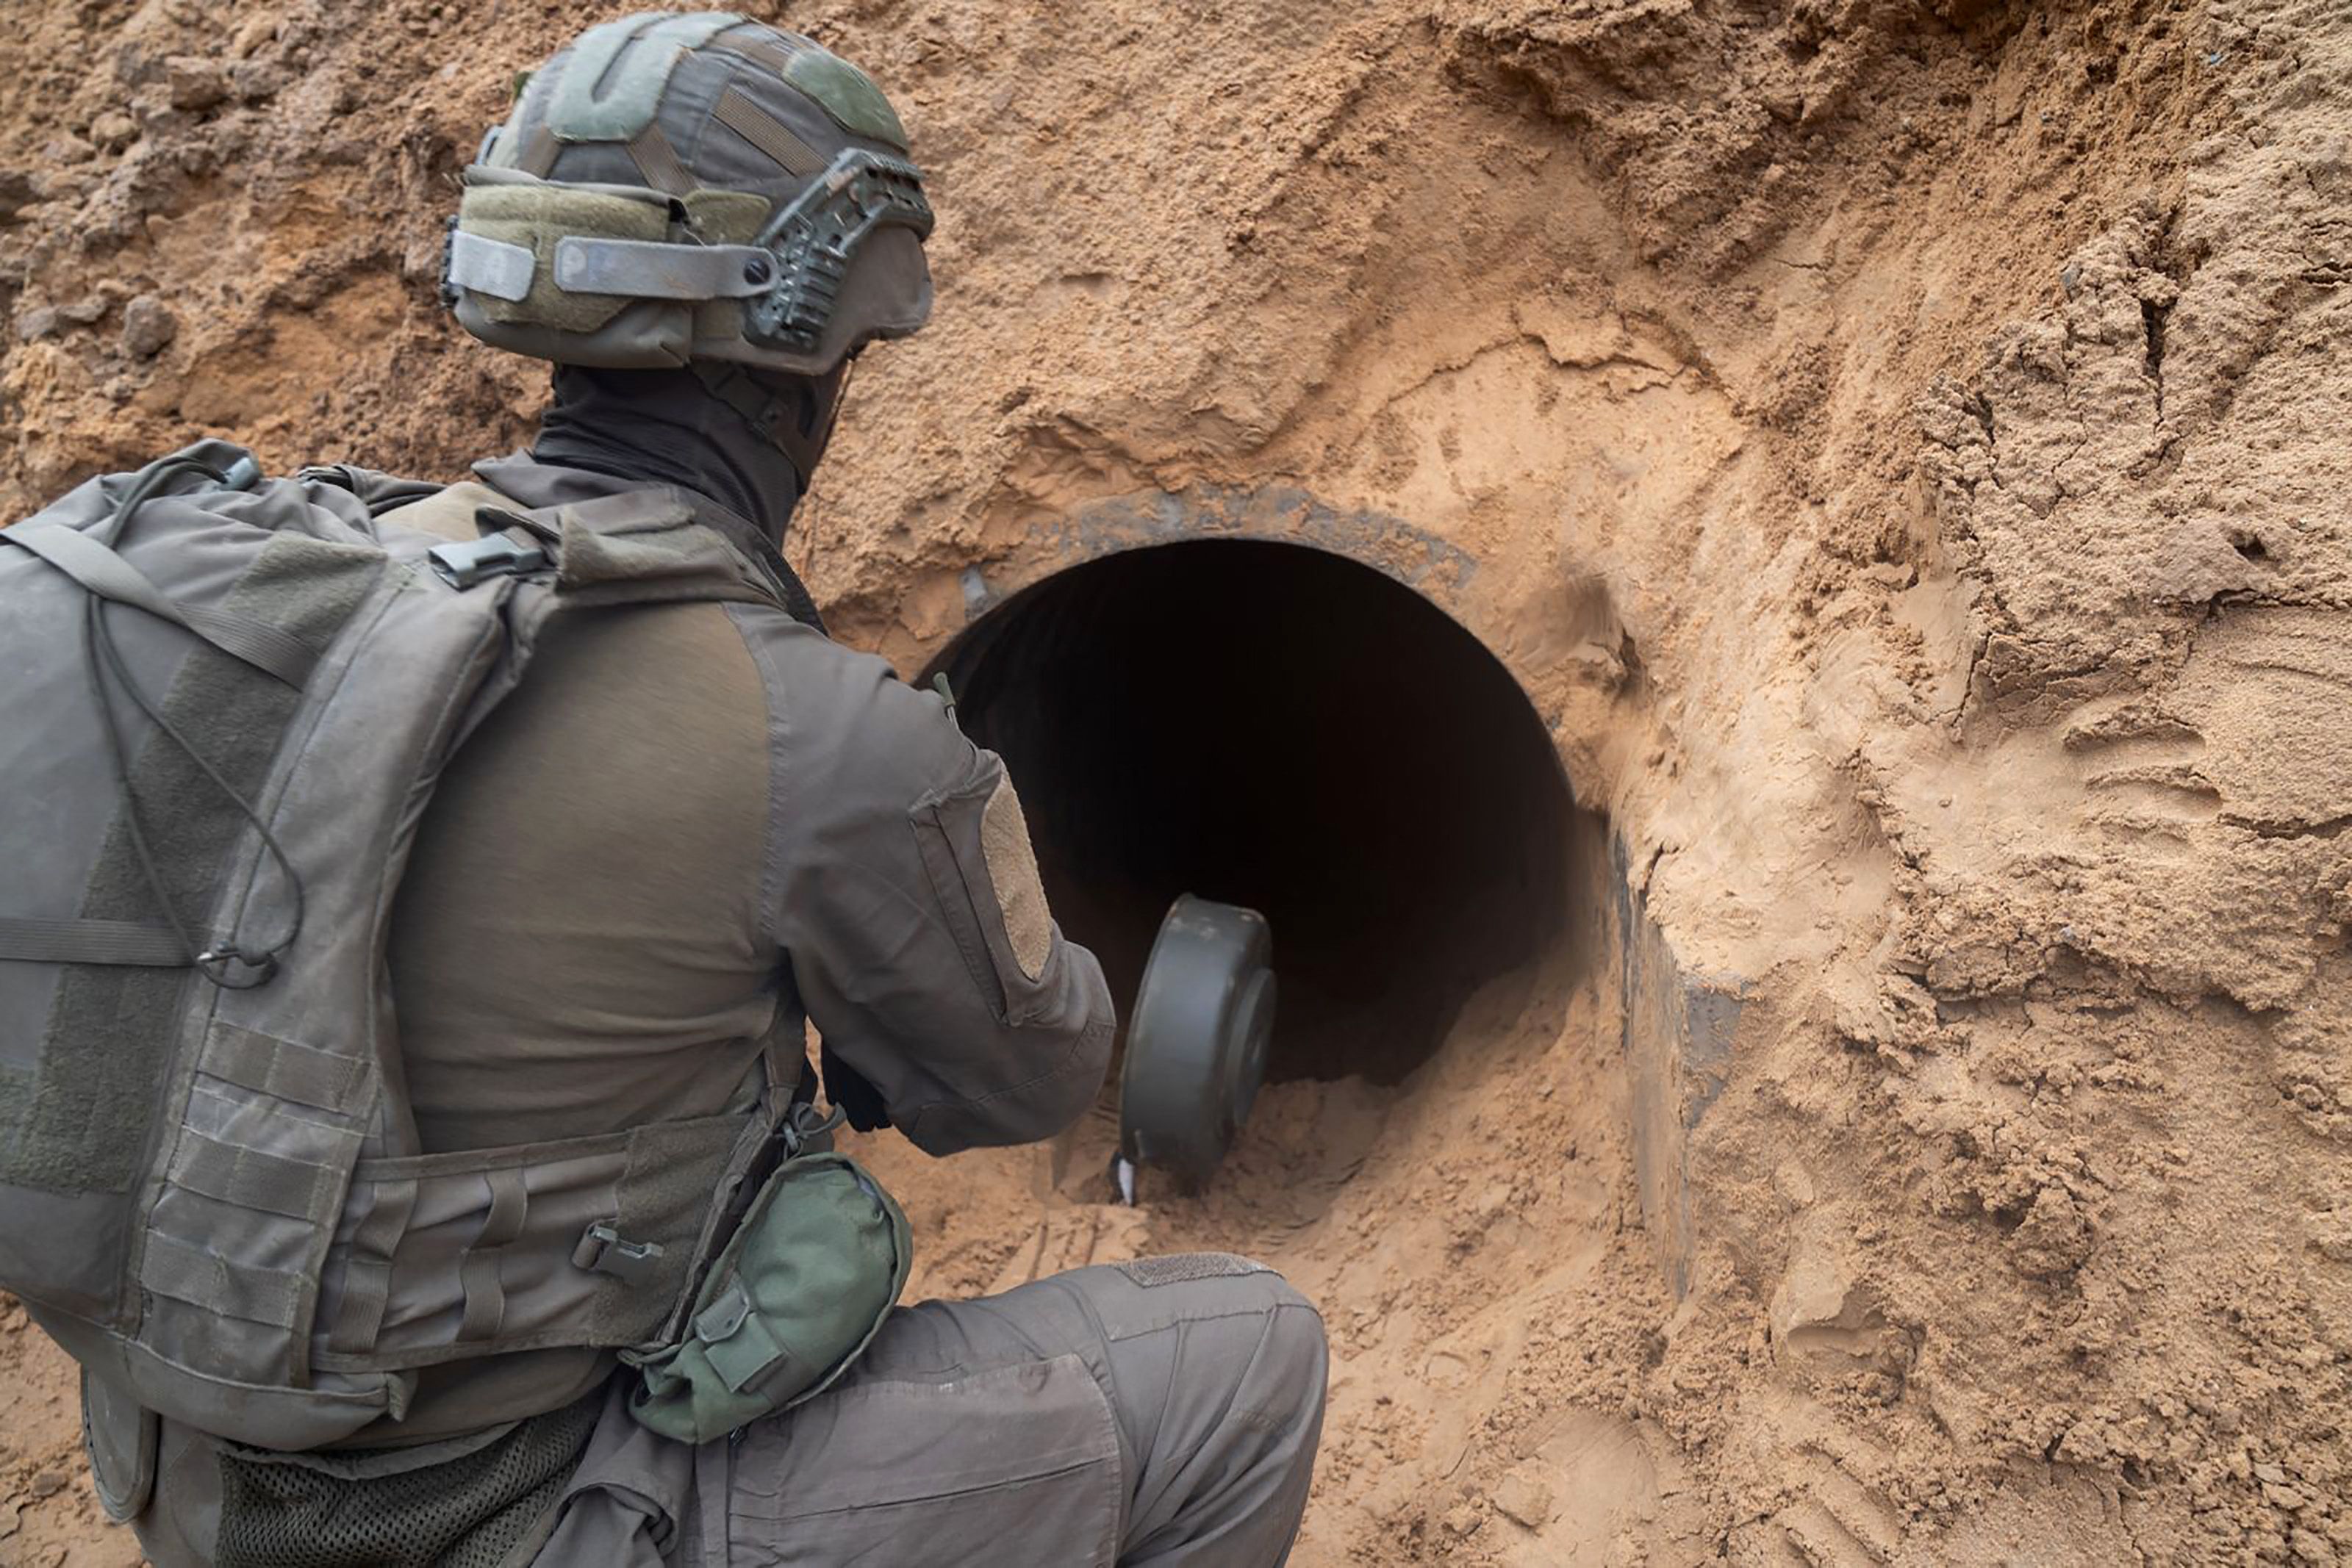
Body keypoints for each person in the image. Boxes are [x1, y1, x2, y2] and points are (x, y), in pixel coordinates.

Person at [59, 14, 1326, 1566]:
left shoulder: (306, 589)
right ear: (816, 362)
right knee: (1248, 1363)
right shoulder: (821, 735)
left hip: (200, 1488)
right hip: (533, 1509)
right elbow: (1028, 1077)